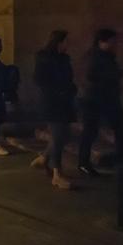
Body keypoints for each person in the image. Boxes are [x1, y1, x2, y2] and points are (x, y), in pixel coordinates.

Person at [79, 29, 123, 176]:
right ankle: (83, 162)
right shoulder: (95, 57)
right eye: (112, 41)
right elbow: (92, 77)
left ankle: (122, 159)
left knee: (120, 127)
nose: (115, 44)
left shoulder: (105, 56)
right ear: (103, 42)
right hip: (95, 99)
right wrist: (115, 76)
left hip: (106, 98)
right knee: (91, 131)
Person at [31, 30, 78, 190]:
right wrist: (57, 91)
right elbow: (39, 80)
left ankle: (44, 158)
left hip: (64, 101)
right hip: (52, 102)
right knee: (58, 137)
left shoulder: (64, 59)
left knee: (64, 135)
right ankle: (57, 175)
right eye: (66, 41)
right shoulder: (44, 58)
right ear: (59, 42)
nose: (68, 45)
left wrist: (71, 90)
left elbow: (68, 78)